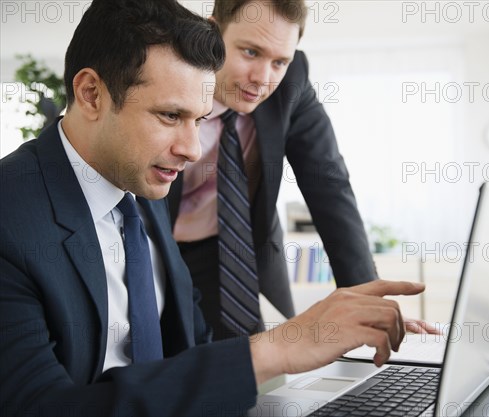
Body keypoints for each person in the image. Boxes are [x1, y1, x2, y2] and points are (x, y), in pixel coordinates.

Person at [0, 0, 428, 415]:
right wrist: (274, 349)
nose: (191, 150)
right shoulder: (24, 219)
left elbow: (329, 186)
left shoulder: (136, 191)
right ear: (91, 94)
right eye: (170, 115)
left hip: (230, 252)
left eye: (200, 120)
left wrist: (363, 305)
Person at [169, 0, 379, 339]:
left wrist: (367, 298)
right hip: (157, 251)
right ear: (211, 33)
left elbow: (328, 182)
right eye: (250, 52)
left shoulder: (291, 81)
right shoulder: (166, 72)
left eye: (279, 61)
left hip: (241, 249)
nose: (263, 79)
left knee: (267, 372)